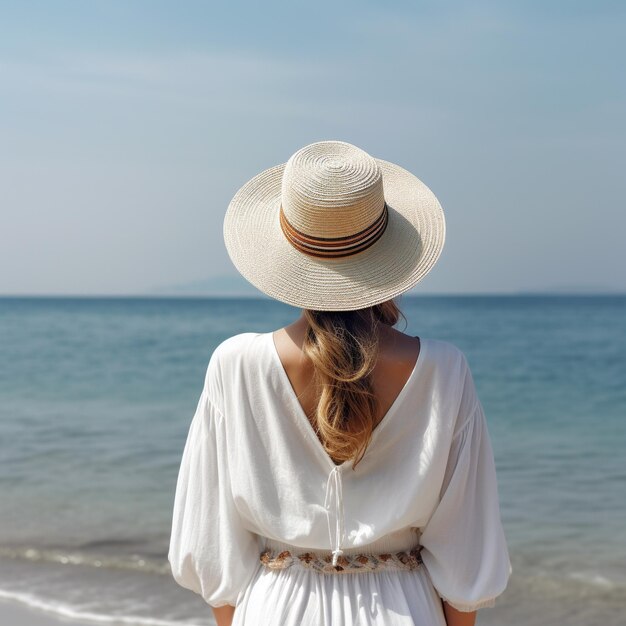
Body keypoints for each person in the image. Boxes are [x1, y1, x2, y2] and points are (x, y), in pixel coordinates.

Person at [168, 141, 512, 626]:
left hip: (275, 607)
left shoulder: (236, 364)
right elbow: (466, 551)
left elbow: (210, 541)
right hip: (401, 609)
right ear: (389, 252)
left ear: (286, 251)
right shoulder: (443, 369)